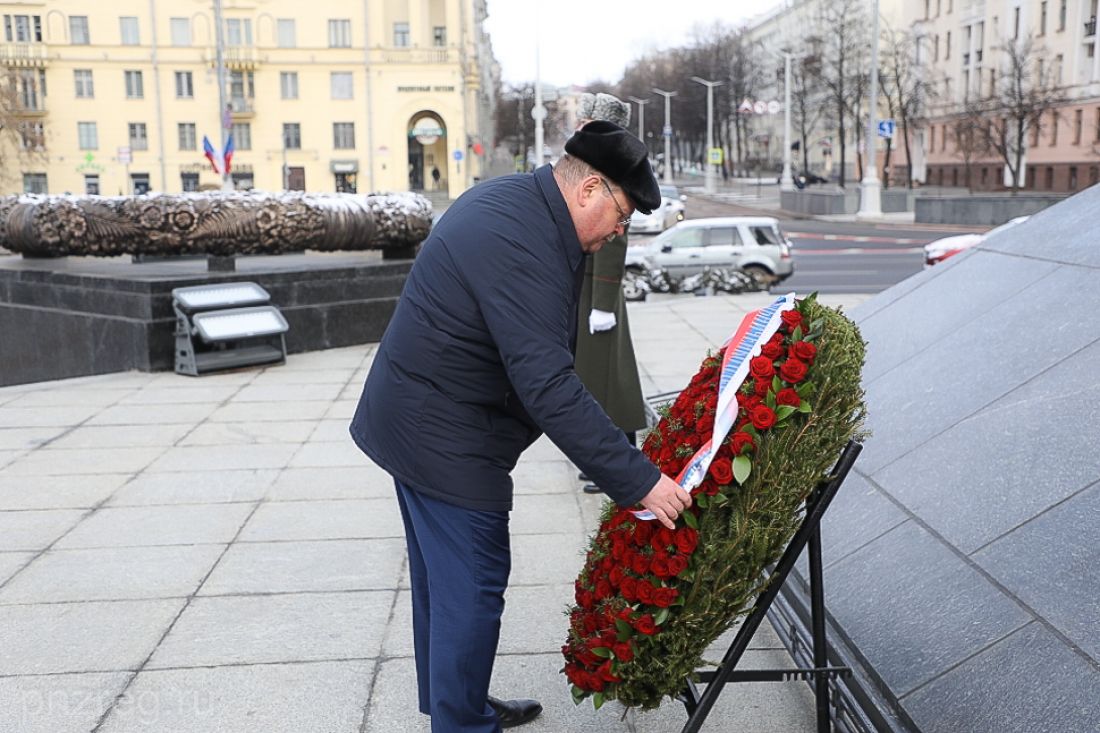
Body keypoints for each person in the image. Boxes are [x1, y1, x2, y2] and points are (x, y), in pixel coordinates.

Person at [349, 120, 692, 733]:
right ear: (588, 189)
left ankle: (459, 703)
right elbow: (547, 383)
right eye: (621, 215)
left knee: (441, 584)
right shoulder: (522, 237)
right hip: (441, 432)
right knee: (472, 587)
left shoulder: (524, 206)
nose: (621, 231)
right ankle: (461, 723)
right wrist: (641, 480)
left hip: (426, 416)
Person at [572, 93, 648, 494]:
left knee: (610, 382)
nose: (580, 127)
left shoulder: (614, 167)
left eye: (587, 123)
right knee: (594, 379)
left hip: (599, 290)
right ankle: (604, 461)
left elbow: (615, 239)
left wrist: (602, 303)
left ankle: (618, 463)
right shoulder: (596, 164)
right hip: (586, 286)